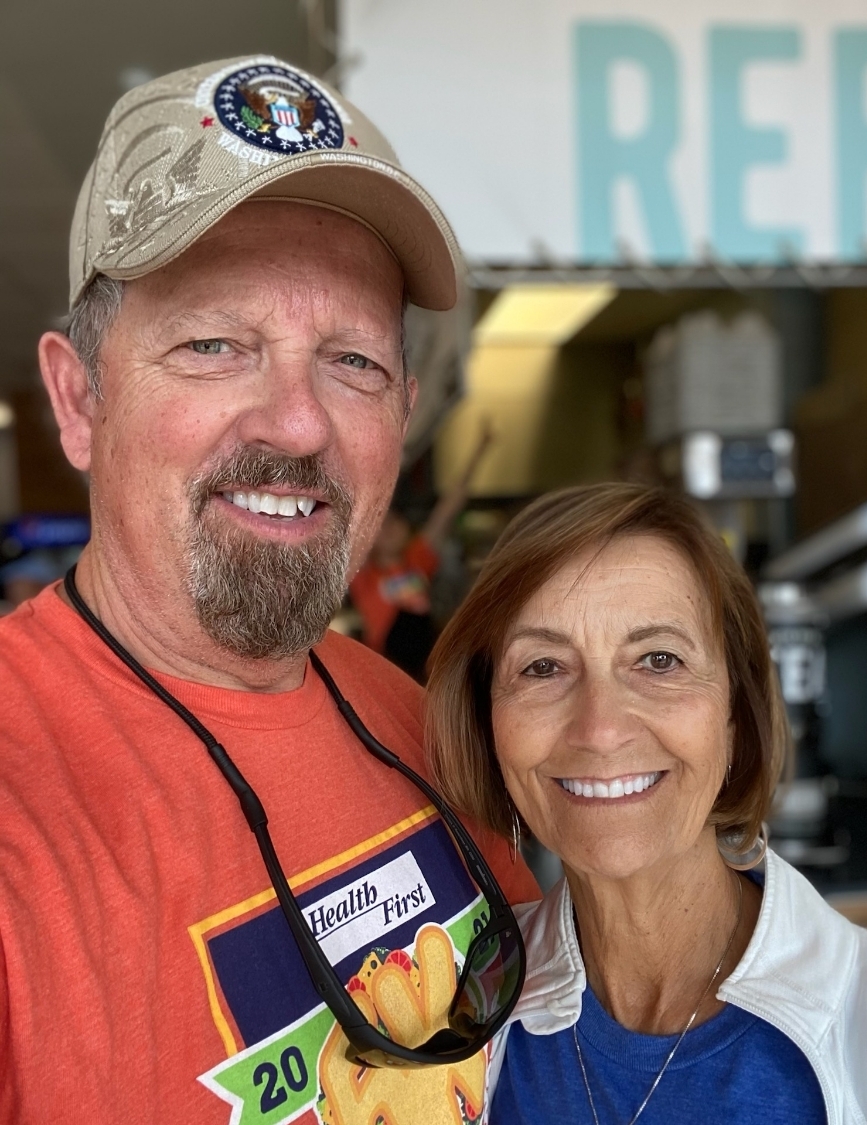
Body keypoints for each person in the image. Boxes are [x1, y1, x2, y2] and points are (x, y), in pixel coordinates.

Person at [0, 56, 537, 1125]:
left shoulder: (416, 721)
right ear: (79, 399)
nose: (297, 423)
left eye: (354, 362)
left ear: (404, 411)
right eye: (213, 344)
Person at [426, 482, 867, 1124]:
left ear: (735, 714)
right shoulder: (461, 1007)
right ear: (486, 720)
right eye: (543, 667)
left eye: (658, 660)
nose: (601, 729)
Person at [350, 423, 493, 681]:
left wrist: (480, 450)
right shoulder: (364, 574)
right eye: (382, 524)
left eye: (394, 521)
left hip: (424, 667)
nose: (390, 527)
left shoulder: (417, 559)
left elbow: (448, 508)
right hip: (384, 668)